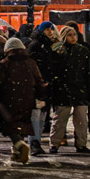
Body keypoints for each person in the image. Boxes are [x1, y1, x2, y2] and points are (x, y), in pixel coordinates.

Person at [0, 37, 44, 163]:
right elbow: (39, 81)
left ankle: (19, 144)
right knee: (21, 123)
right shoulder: (31, 62)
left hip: (8, 99)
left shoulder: (5, 64)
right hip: (28, 98)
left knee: (9, 124)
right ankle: (17, 153)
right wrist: (41, 96)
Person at [48, 23, 90, 154]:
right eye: (70, 35)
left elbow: (89, 72)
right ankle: (55, 143)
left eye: (74, 34)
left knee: (80, 120)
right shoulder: (59, 51)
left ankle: (80, 144)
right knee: (61, 119)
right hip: (68, 89)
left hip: (76, 89)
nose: (73, 37)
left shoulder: (81, 51)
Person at [26, 21, 60, 155]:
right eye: (47, 29)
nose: (50, 32)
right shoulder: (37, 45)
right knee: (37, 114)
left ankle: (36, 141)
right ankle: (35, 142)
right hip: (39, 85)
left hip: (44, 85)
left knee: (42, 115)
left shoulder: (45, 45)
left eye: (51, 29)